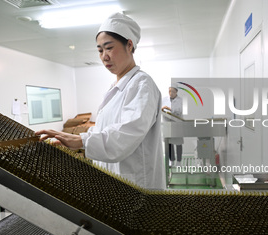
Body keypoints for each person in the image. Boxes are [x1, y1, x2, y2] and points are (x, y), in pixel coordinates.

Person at [36, 12, 165, 190]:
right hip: (114, 182)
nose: (104, 56)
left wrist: (81, 141)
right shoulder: (115, 87)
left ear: (129, 45)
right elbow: (103, 131)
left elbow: (124, 136)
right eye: (99, 50)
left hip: (136, 184)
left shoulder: (142, 84)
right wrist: (76, 144)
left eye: (109, 47)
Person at [162, 84, 184, 167]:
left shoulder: (180, 100)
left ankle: (179, 161)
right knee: (169, 143)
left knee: (178, 143)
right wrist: (163, 109)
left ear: (176, 92)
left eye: (173, 91)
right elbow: (161, 109)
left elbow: (179, 111)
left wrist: (169, 109)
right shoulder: (164, 99)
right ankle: (171, 160)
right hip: (167, 124)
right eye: (169, 91)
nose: (171, 93)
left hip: (177, 124)